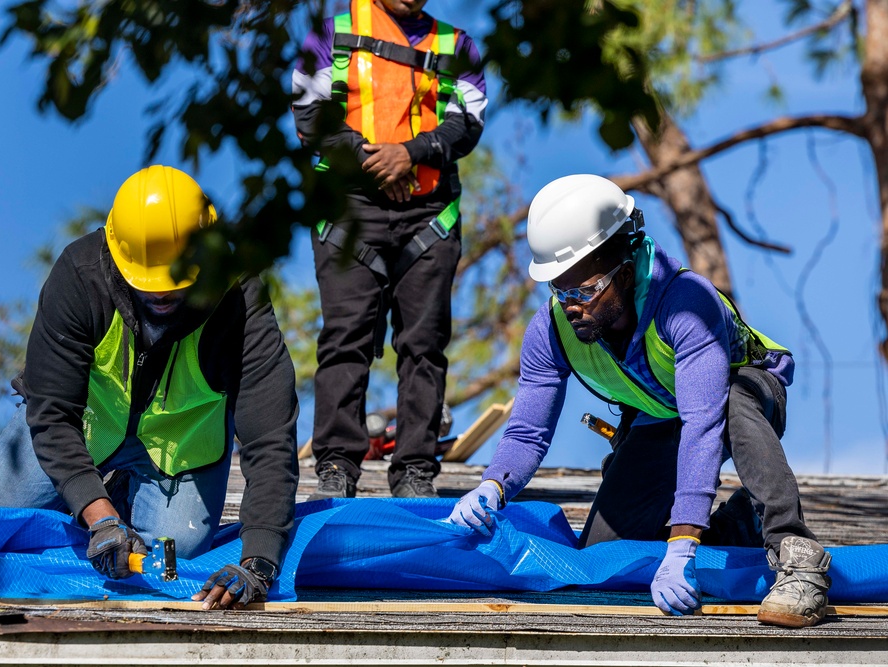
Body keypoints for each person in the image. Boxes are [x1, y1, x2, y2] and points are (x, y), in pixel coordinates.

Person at [447, 174, 831, 628]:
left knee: (733, 404)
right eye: (559, 290)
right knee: (604, 557)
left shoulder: (686, 302)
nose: (571, 307)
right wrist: (493, 485)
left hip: (742, 391)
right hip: (661, 412)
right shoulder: (550, 331)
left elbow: (702, 425)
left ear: (625, 275)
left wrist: (683, 539)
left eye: (584, 291)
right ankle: (738, 525)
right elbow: (529, 430)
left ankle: (795, 551)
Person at [0, 166, 300, 610]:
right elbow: (52, 413)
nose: (161, 296)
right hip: (82, 429)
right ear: (118, 255)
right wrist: (99, 517)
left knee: (172, 564)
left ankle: (118, 496)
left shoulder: (240, 298)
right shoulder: (79, 275)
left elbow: (270, 437)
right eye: (147, 282)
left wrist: (259, 560)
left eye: (175, 283)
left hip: (179, 450)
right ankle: (95, 501)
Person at [291, 0, 488, 499]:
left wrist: (411, 154)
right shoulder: (330, 34)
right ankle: (336, 467)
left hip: (429, 218)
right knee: (346, 338)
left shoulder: (457, 46)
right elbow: (310, 114)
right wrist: (376, 162)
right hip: (348, 212)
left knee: (424, 345)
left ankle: (416, 471)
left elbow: (467, 123)